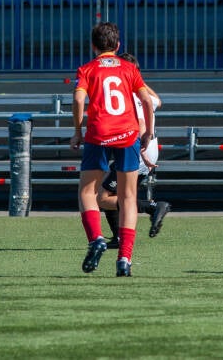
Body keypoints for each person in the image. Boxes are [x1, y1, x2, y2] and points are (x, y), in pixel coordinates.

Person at [70, 22, 155, 277]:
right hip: (128, 134)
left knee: (87, 192)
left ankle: (96, 238)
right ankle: (124, 260)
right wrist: (148, 132)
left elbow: (77, 98)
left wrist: (77, 130)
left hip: (98, 133)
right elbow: (147, 100)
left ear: (93, 46)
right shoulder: (129, 68)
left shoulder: (87, 69)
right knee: (128, 197)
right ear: (118, 46)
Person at [97, 53, 171, 248]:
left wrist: (143, 154)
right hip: (148, 150)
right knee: (117, 193)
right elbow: (158, 101)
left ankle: (153, 206)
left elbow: (139, 125)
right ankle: (119, 238)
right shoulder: (143, 94)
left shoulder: (126, 95)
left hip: (138, 151)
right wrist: (138, 79)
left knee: (103, 198)